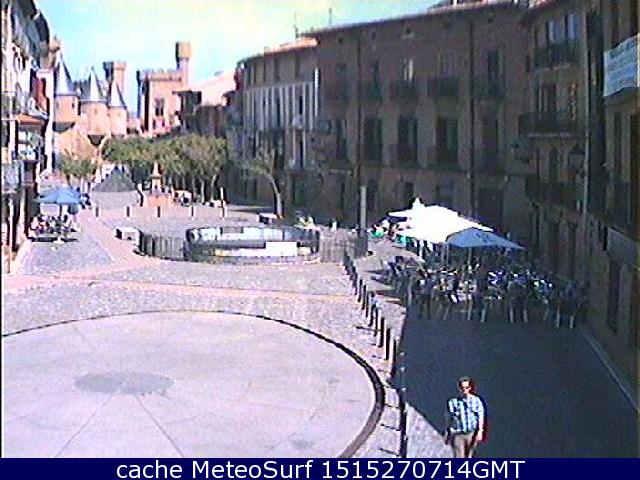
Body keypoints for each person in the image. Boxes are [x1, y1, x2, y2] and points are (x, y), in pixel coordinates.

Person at [445, 376, 487, 458]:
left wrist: (480, 431)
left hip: (471, 434)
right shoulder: (453, 402)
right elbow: (449, 418)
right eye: (462, 388)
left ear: (470, 388)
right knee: (459, 457)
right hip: (458, 434)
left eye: (467, 388)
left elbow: (481, 416)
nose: (464, 390)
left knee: (470, 456)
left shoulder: (476, 401)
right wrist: (448, 433)